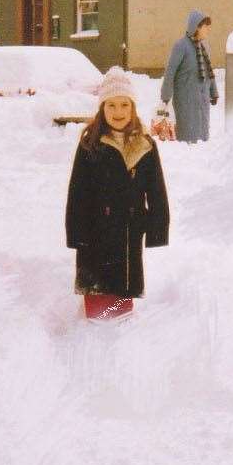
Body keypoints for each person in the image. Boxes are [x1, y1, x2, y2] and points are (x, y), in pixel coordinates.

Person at [66, 68, 171, 320]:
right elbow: (77, 193)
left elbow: (156, 190)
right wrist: (76, 234)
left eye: (124, 104)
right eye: (111, 105)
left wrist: (157, 228)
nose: (118, 112)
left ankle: (118, 316)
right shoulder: (91, 143)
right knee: (98, 286)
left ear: (132, 107)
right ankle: (96, 315)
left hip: (129, 229)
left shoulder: (144, 144)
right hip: (95, 230)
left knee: (122, 293)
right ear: (102, 108)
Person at [157, 9, 217, 143]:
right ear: (196, 27)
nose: (208, 29)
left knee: (202, 136)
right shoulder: (181, 46)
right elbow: (170, 72)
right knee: (187, 136)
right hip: (186, 99)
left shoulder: (205, 46)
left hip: (202, 99)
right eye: (205, 26)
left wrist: (214, 92)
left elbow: (209, 72)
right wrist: (165, 96)